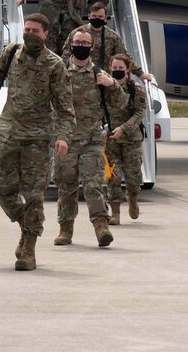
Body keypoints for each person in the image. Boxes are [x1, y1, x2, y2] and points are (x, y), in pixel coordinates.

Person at [0, 13, 74, 271]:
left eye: (35, 31)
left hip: (37, 137)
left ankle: (29, 250)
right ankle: (26, 223)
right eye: (27, 29)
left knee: (33, 194)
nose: (30, 34)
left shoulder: (55, 65)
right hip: (9, 133)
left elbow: (65, 107)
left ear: (45, 34)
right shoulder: (12, 53)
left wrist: (63, 136)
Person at [53, 29, 123, 247]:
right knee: (66, 186)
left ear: (91, 48)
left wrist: (112, 85)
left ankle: (101, 227)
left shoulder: (99, 74)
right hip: (66, 140)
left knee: (93, 186)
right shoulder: (60, 71)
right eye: (77, 42)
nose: (80, 45)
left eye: (85, 43)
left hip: (91, 141)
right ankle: (66, 229)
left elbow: (120, 103)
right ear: (71, 44)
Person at [61, 2, 155, 83]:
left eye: (100, 16)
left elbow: (124, 57)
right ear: (89, 16)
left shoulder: (112, 36)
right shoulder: (77, 34)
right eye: (94, 16)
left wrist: (140, 74)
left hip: (102, 78)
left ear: (105, 18)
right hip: (78, 78)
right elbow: (66, 55)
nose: (97, 18)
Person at [106, 53, 147, 225]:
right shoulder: (104, 87)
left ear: (128, 70)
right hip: (110, 139)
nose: (117, 71)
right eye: (114, 68)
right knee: (112, 177)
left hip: (131, 139)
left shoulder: (135, 89)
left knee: (133, 176)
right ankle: (115, 212)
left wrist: (124, 129)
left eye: (120, 69)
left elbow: (140, 112)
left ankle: (133, 198)